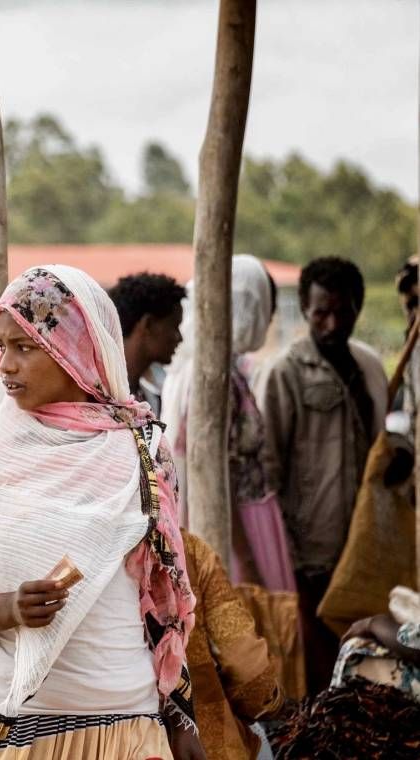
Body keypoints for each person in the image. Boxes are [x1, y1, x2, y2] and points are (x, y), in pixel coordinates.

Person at [0, 266, 203, 760]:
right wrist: (11, 607)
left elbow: (163, 600)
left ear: (76, 347)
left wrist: (181, 716)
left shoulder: (142, 448)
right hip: (17, 728)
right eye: (1, 346)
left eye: (24, 347)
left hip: (127, 721)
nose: (5, 364)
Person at [256, 256, 387, 694]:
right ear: (306, 312)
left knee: (363, 667)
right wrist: (287, 554)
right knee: (317, 672)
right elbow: (267, 470)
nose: (331, 323)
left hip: (363, 544)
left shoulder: (368, 367)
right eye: (319, 313)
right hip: (311, 551)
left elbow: (380, 442)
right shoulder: (285, 373)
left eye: (341, 311)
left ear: (357, 308)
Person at [162, 255, 295, 591]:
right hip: (240, 528)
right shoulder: (214, 376)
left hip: (242, 522)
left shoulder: (202, 368)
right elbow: (217, 469)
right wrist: (247, 560)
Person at [182, 529, 285, 760]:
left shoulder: (84, 560)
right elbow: (251, 672)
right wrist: (267, 702)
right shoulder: (190, 551)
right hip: (209, 742)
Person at [108, 272, 186, 416]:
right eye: (174, 326)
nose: (179, 338)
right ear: (148, 324)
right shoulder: (100, 396)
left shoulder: (149, 398)